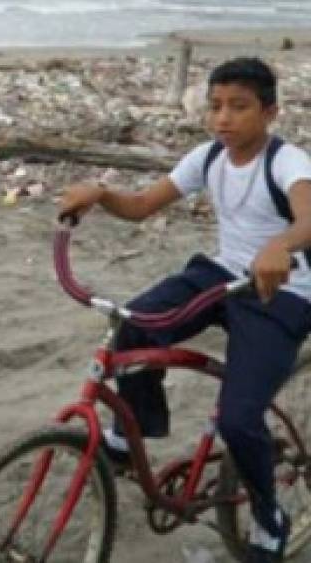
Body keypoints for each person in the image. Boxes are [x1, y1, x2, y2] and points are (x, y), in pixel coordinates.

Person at [59, 56, 311, 563]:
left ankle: (268, 520)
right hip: (223, 274)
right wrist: (102, 194)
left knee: (240, 421)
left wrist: (281, 245)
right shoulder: (208, 157)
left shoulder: (287, 163)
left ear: (270, 112)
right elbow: (142, 205)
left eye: (238, 107)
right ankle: (133, 438)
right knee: (130, 327)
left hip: (281, 293)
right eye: (215, 106)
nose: (222, 118)